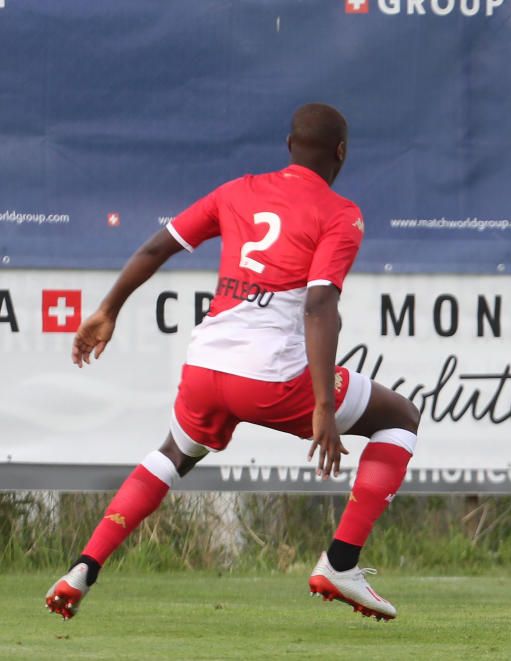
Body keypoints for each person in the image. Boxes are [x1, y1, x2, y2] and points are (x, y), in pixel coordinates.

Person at [45, 103, 418, 622]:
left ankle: (84, 567)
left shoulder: (236, 190)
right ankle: (340, 562)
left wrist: (108, 309)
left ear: (289, 146)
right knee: (400, 418)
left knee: (173, 452)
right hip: (272, 377)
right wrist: (323, 406)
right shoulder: (341, 213)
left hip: (205, 368)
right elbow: (318, 305)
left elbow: (157, 248)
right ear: (341, 153)